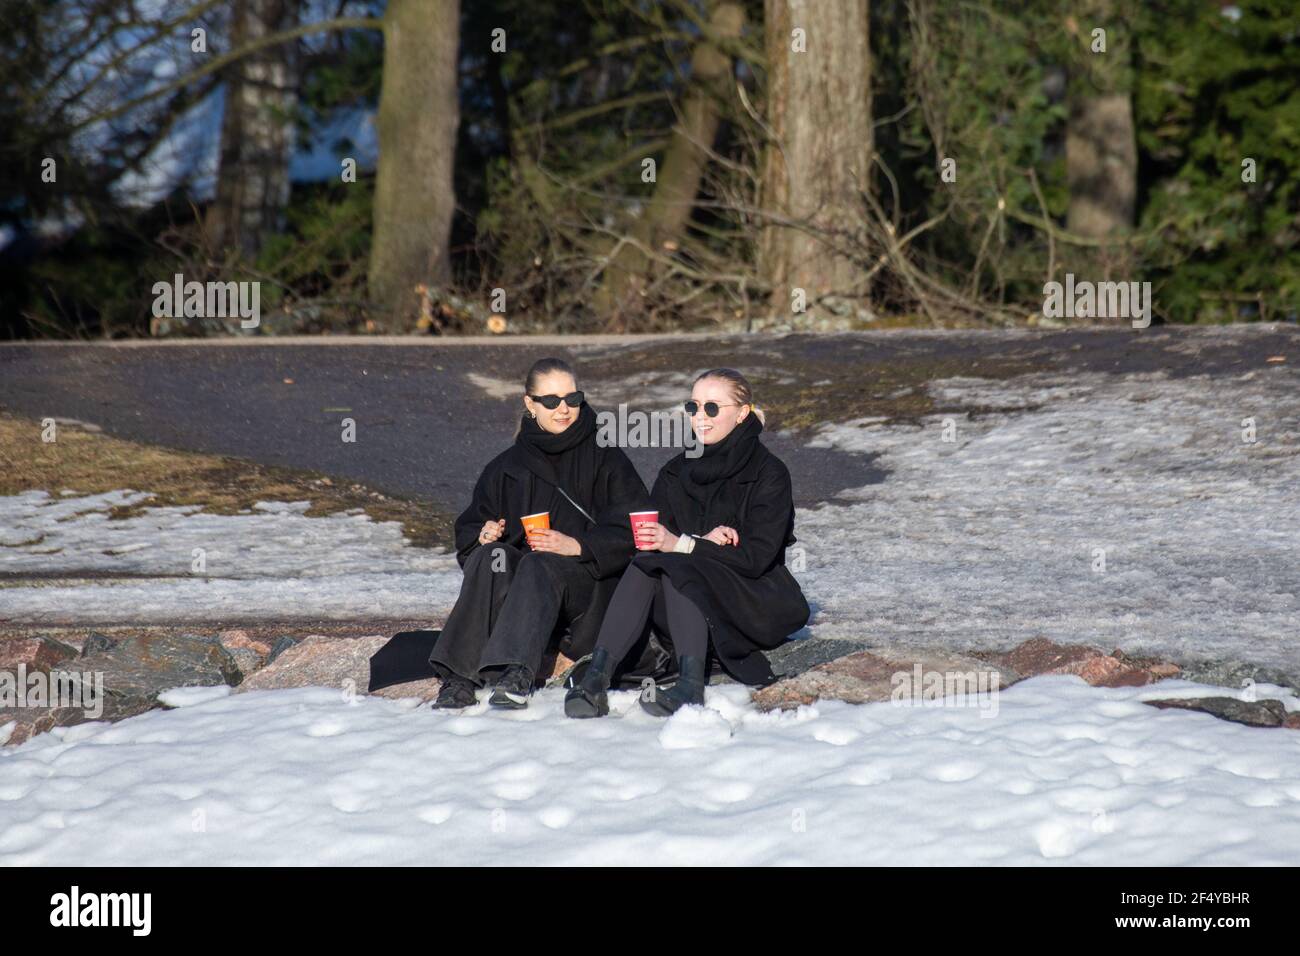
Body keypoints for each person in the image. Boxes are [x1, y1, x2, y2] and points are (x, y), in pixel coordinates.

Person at [566, 368, 810, 719]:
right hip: (685, 604)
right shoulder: (675, 471)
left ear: (742, 413)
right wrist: (688, 542)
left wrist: (686, 544)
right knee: (648, 563)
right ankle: (596, 680)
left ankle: (690, 686)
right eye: (693, 406)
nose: (700, 417)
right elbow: (657, 547)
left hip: (750, 602)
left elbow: (756, 558)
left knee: (677, 562)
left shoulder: (768, 473)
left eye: (713, 408)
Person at [429, 357, 647, 709]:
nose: (564, 409)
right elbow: (470, 529)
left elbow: (638, 526)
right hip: (522, 598)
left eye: (572, 399)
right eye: (551, 401)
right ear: (529, 403)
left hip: (588, 593)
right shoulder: (506, 466)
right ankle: (458, 678)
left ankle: (516, 672)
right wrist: (483, 536)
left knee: (539, 562)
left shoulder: (606, 456)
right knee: (492, 556)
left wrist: (579, 545)